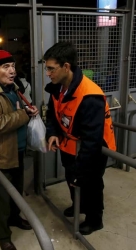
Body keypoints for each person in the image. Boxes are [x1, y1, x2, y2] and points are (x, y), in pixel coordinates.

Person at [44, 42, 116, 235]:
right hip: (70, 142)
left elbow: (92, 141)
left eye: (51, 69)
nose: (47, 74)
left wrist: (81, 171)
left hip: (94, 147)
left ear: (66, 67)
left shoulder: (90, 95)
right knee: (71, 177)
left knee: (90, 182)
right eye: (47, 69)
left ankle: (94, 219)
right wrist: (51, 133)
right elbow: (52, 114)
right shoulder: (57, 88)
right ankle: (79, 206)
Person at [0, 50, 38, 250]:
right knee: (1, 196)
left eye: (12, 65)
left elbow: (20, 110)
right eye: (5, 67)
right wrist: (24, 114)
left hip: (17, 149)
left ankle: (14, 218)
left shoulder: (13, 87)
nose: (12, 71)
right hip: (0, 153)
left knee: (16, 191)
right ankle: (3, 235)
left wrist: (30, 110)